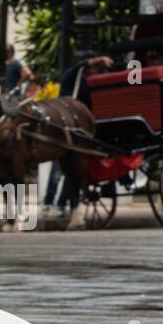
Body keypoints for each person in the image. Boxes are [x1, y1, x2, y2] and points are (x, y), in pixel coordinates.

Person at [41, 51, 114, 216]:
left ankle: (61, 203)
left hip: (82, 130)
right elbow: (81, 67)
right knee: (57, 170)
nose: (95, 71)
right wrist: (100, 58)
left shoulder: (91, 81)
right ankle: (48, 202)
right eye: (94, 67)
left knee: (72, 170)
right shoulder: (72, 75)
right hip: (64, 128)